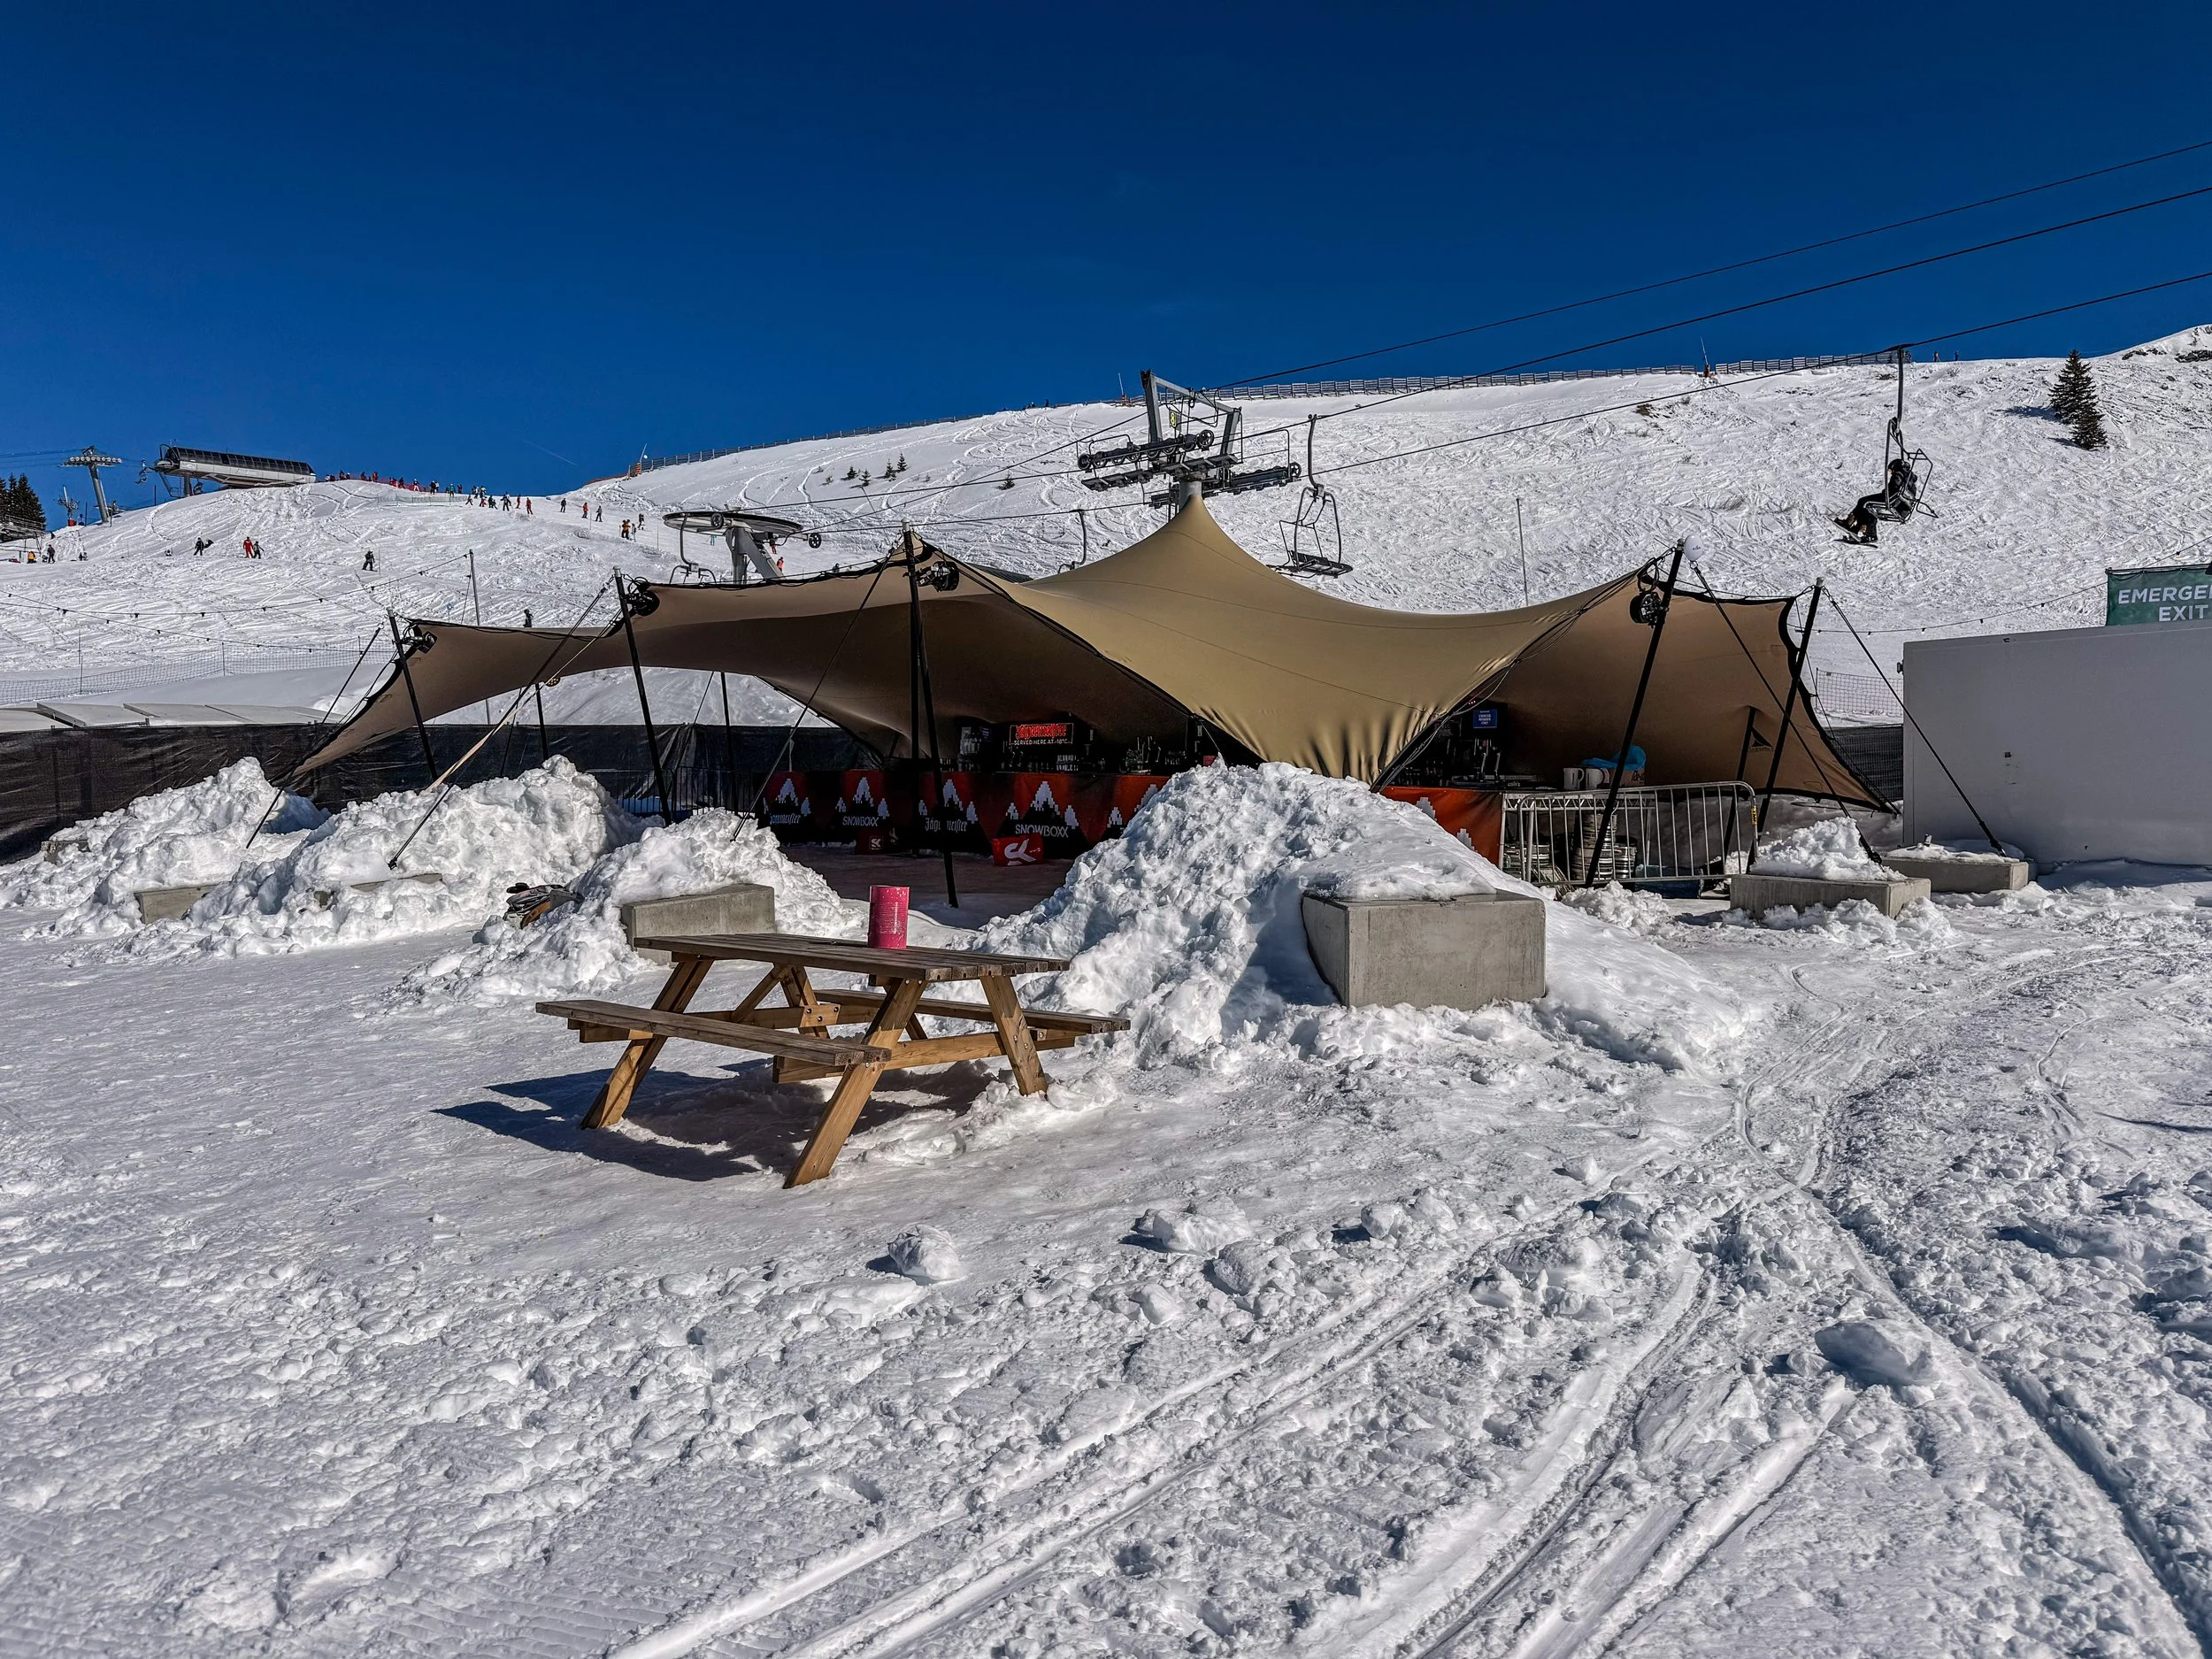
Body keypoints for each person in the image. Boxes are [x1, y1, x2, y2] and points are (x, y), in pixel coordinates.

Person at [1835, 456, 1919, 545]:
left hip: (1895, 503)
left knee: (1864, 502)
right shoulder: (1909, 479)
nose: (1891, 473)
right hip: (1902, 508)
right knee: (1870, 506)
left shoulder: (1899, 474)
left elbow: (1894, 489)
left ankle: (1853, 525)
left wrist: (1885, 494)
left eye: (1891, 470)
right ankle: (1860, 530)